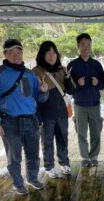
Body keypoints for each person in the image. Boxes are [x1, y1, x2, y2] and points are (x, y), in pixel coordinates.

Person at [0, 39, 48, 195]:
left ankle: (32, 178)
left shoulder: (29, 74)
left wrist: (43, 90)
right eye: (12, 53)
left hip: (31, 120)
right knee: (14, 157)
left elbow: (39, 98)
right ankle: (18, 183)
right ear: (5, 54)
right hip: (9, 122)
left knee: (33, 154)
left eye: (19, 52)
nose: (16, 56)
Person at [65, 33, 104, 168]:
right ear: (78, 46)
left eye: (88, 45)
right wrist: (77, 83)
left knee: (96, 132)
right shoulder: (72, 65)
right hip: (79, 105)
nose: (86, 48)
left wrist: (97, 82)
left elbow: (103, 85)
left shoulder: (97, 65)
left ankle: (93, 156)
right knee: (81, 133)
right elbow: (69, 89)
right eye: (83, 45)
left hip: (94, 104)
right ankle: (84, 157)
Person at [33, 41, 71, 178]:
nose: (51, 55)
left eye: (54, 52)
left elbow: (71, 90)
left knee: (63, 138)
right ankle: (49, 166)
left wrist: (67, 78)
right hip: (46, 113)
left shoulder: (62, 70)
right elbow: (33, 97)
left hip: (61, 112)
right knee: (47, 141)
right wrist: (38, 117)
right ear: (42, 54)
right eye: (48, 52)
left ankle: (64, 162)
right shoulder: (36, 71)